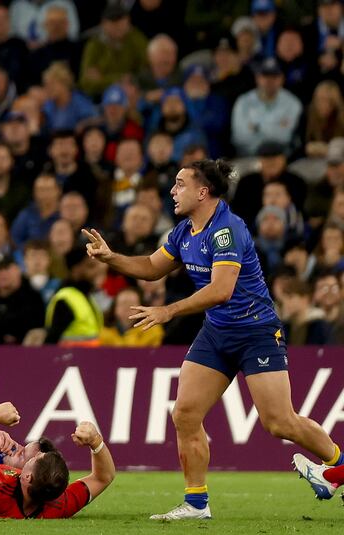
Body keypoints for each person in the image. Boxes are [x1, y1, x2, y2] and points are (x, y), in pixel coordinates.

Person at [82, 159, 344, 520]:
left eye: (179, 184)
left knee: (279, 422)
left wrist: (169, 311)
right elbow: (151, 268)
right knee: (185, 413)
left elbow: (222, 290)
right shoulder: (183, 231)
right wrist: (111, 257)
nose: (172, 191)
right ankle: (196, 503)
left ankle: (339, 465)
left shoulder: (227, 230)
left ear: (202, 191)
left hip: (256, 332)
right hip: (217, 333)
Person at [0, 401, 115, 518]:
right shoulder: (57, 504)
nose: (17, 449)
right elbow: (103, 477)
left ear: (27, 477)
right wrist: (96, 442)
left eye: (32, 459)